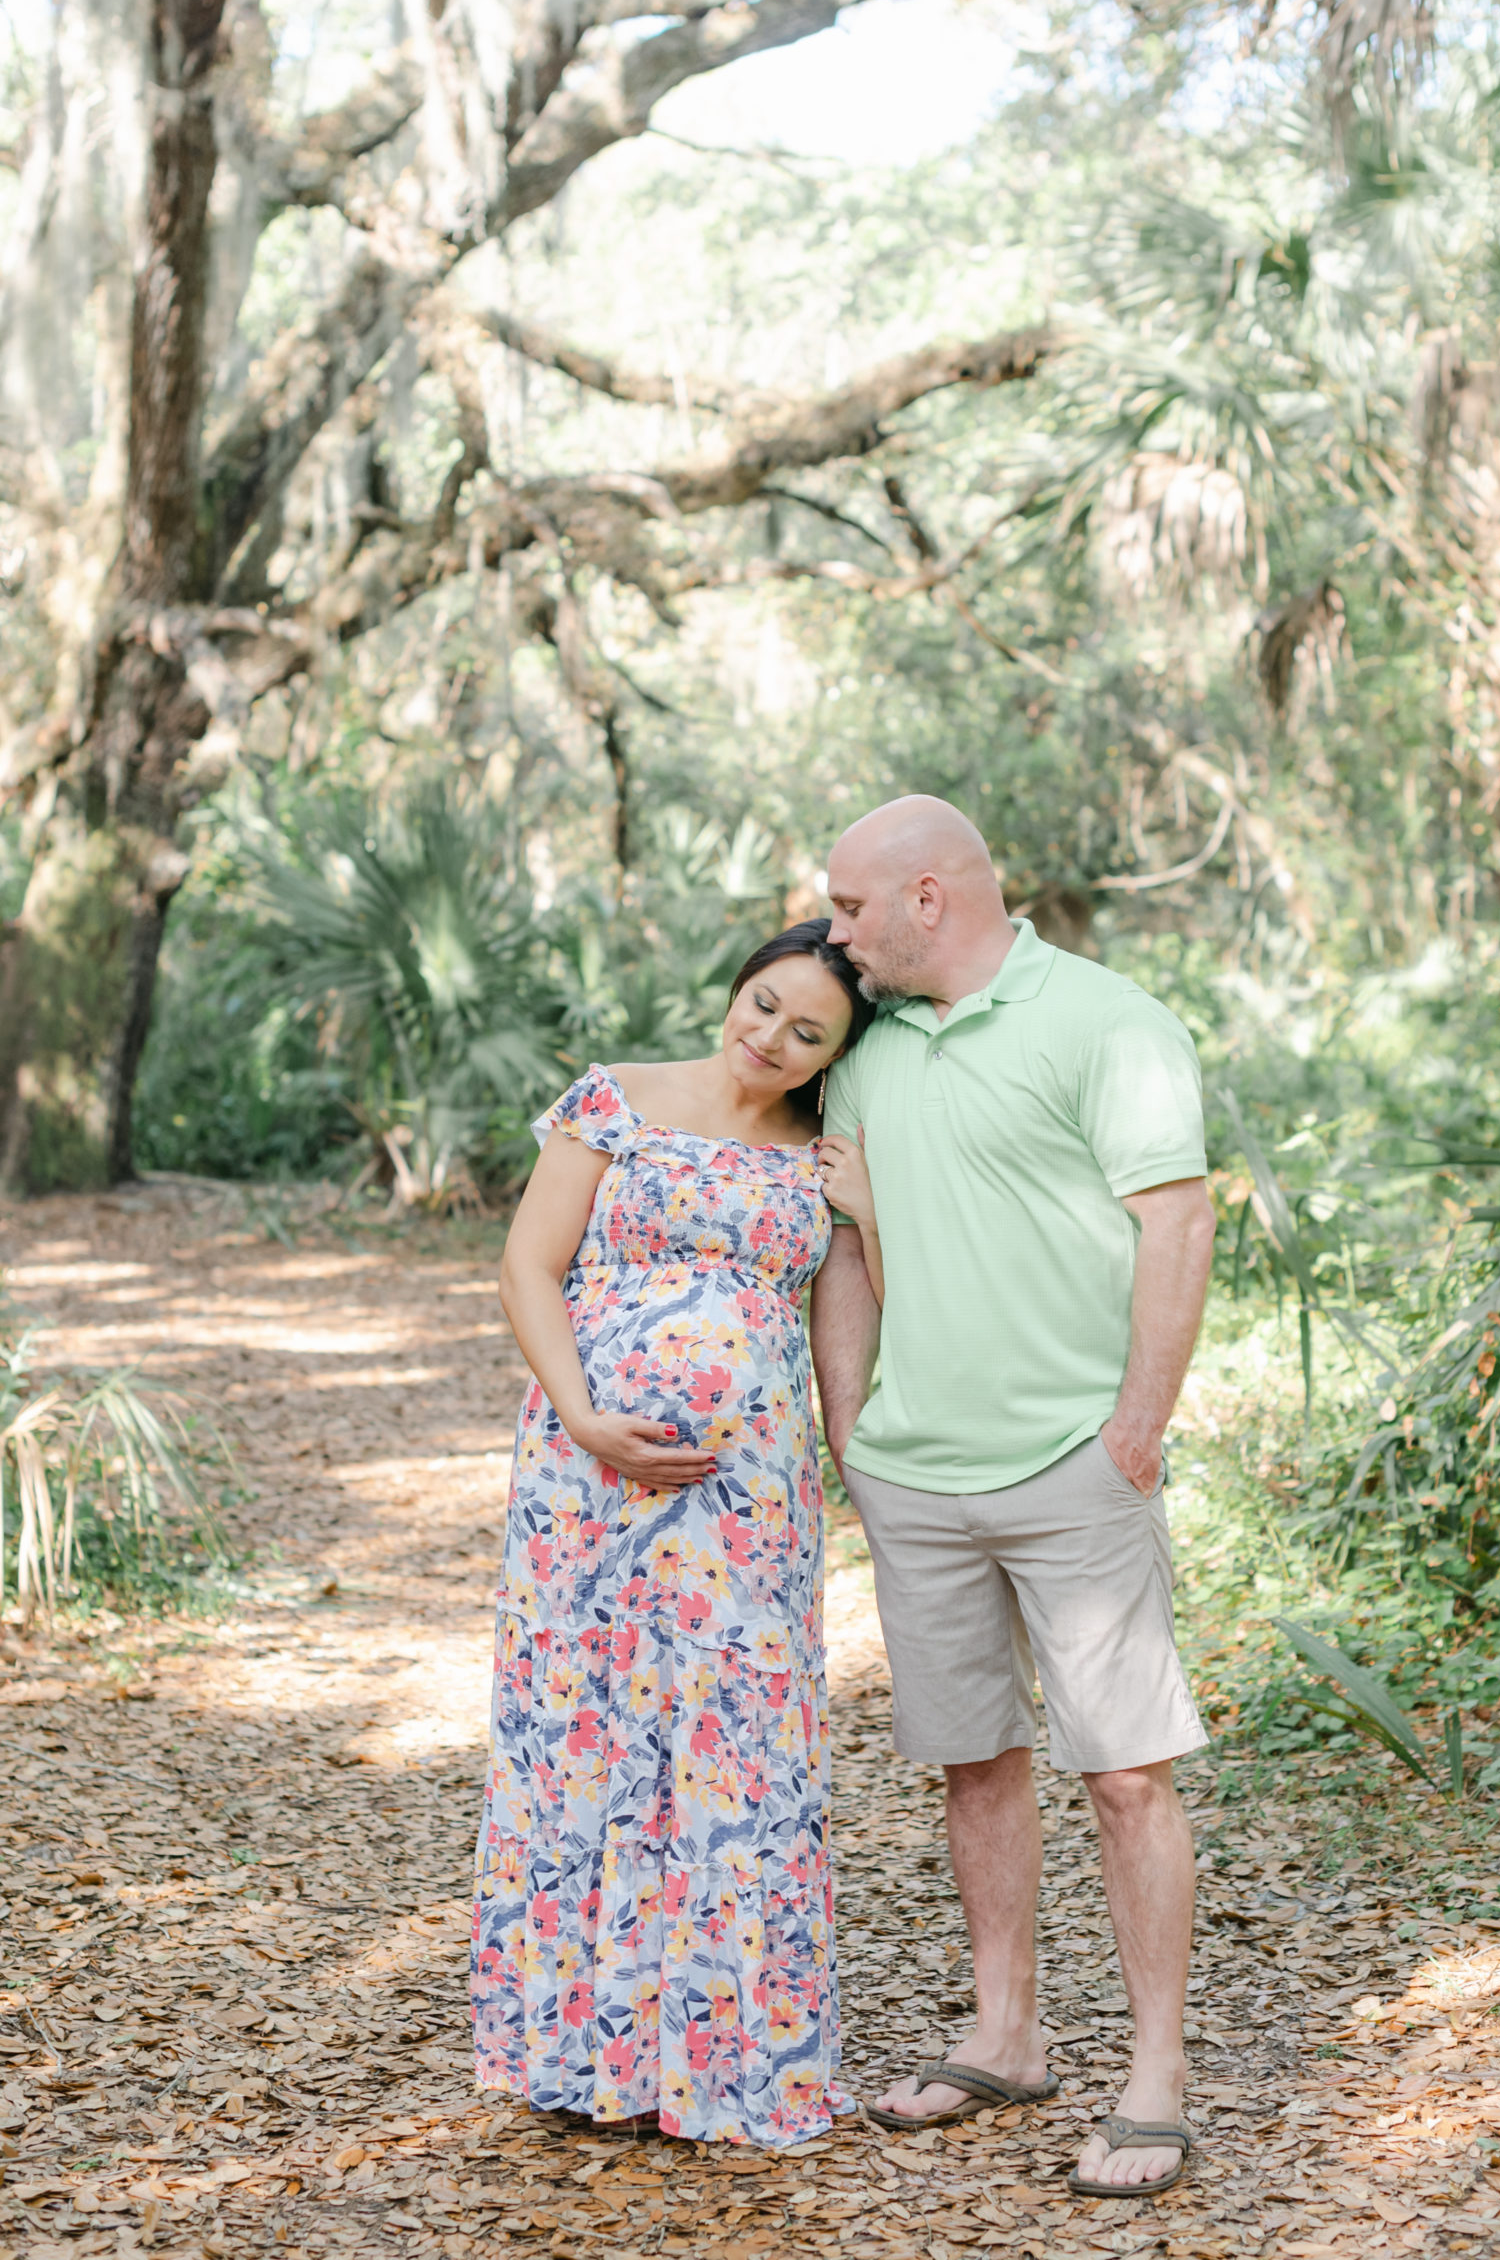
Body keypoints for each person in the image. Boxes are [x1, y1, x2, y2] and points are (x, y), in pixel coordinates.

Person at [811, 797, 1216, 2202]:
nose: (832, 933)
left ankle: (1154, 2071)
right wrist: (850, 1431)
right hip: (915, 1476)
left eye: (850, 908)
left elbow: (1177, 1217)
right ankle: (1006, 2033)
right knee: (973, 1760)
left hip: (1071, 1464)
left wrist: (1135, 1430)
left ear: (929, 896)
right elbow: (851, 1249)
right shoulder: (865, 1054)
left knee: (1120, 1771)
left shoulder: (1107, 1022)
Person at [470, 919, 877, 2147]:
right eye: (762, 1004)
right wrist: (588, 1419)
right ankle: (585, 2054)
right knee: (584, 1734)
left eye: (804, 1033)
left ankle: (730, 2062)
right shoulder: (617, 1099)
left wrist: (856, 1478)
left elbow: (843, 1338)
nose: (768, 1037)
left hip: (744, 1506)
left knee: (733, 1748)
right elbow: (527, 1268)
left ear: (828, 1058)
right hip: (584, 1484)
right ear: (737, 987)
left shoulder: (824, 1164)